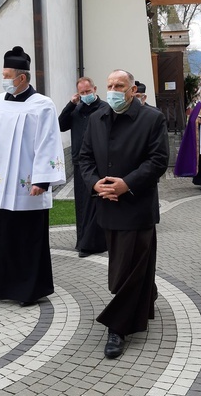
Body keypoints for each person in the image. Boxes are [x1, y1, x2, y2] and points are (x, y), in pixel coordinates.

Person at [78, 69, 169, 359]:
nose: (113, 90)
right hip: (106, 204)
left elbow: (158, 161)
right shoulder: (96, 118)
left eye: (120, 85)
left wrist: (126, 183)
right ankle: (146, 291)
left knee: (128, 270)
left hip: (137, 205)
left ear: (132, 90)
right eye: (110, 85)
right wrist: (95, 183)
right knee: (123, 267)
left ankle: (118, 327)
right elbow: (84, 157)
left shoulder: (152, 119)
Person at [0, 46, 66, 305]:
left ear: (22, 77)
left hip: (26, 186)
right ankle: (0, 285)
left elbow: (49, 142)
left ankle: (28, 289)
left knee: (26, 237)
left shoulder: (42, 105)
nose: (3, 79)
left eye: (7, 74)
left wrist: (42, 180)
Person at [58, 77, 107, 257]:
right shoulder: (77, 110)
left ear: (94, 89)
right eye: (82, 92)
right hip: (80, 163)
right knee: (82, 204)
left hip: (99, 163)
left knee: (97, 203)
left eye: (88, 91)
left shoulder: (104, 109)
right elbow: (60, 125)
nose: (85, 95)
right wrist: (71, 104)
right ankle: (82, 241)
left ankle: (94, 242)